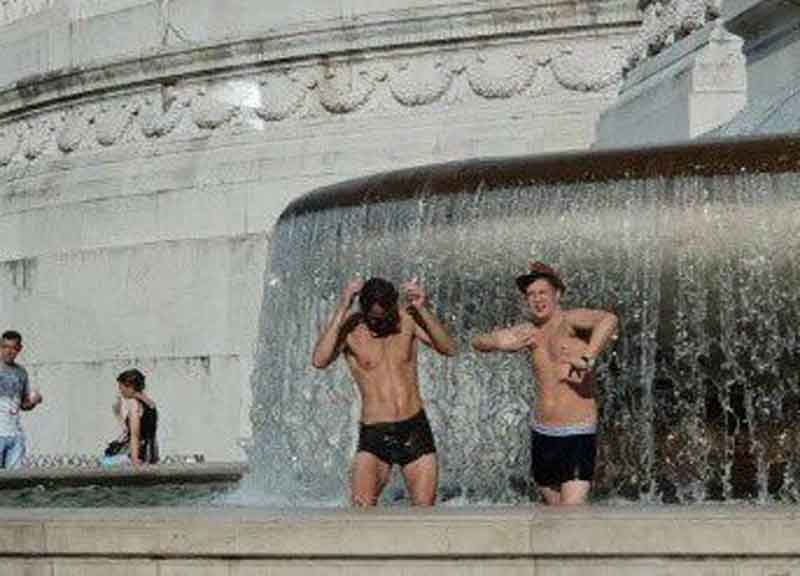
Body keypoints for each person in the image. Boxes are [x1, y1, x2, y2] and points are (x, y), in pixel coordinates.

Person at [471, 261, 618, 505]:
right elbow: (477, 341)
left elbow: (609, 320)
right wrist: (500, 344)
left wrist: (588, 356)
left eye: (543, 293)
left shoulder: (571, 321)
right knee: (553, 513)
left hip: (577, 431)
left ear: (557, 294)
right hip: (542, 432)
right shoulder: (528, 332)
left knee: (571, 513)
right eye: (531, 295)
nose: (537, 299)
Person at [312, 277, 457, 506]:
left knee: (425, 514)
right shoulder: (350, 329)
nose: (379, 324)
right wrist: (343, 306)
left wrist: (422, 308)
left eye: (384, 317)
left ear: (392, 306)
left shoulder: (407, 319)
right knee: (362, 508)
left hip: (414, 429)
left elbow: (449, 348)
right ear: (364, 309)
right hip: (375, 433)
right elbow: (319, 360)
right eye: (373, 319)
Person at [0, 330, 43, 470]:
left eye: (13, 348)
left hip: (15, 435)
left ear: (19, 349)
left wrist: (34, 402)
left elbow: (24, 405)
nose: (8, 351)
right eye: (5, 347)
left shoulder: (21, 372)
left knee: (14, 482)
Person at [102, 368, 159, 466]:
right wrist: (118, 414)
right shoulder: (150, 404)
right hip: (150, 453)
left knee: (104, 462)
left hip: (138, 454)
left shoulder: (134, 404)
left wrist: (135, 460)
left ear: (130, 386)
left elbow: (135, 434)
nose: (120, 392)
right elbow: (145, 432)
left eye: (121, 388)